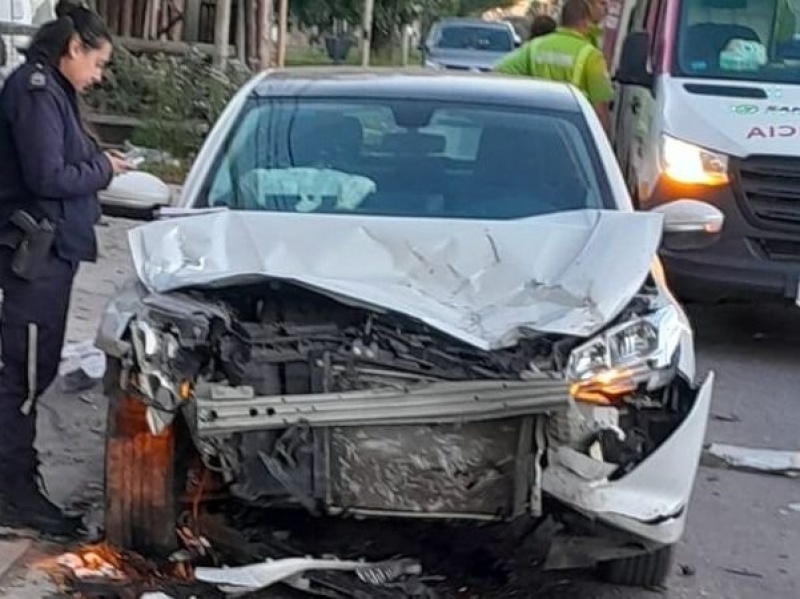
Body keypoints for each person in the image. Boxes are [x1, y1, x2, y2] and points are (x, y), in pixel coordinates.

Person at [0, 0, 131, 536]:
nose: (98, 76)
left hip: (52, 256)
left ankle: (16, 484)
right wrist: (103, 169)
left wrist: (99, 162)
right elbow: (48, 176)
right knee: (25, 374)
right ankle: (14, 493)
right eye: (97, 63)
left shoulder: (53, 90)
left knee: (37, 369)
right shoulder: (35, 91)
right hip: (32, 259)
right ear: (73, 48)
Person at [495, 0, 615, 133]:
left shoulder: (535, 46)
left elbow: (499, 73)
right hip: (571, 133)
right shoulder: (591, 56)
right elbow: (601, 110)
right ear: (585, 21)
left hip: (534, 128)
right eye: (602, 3)